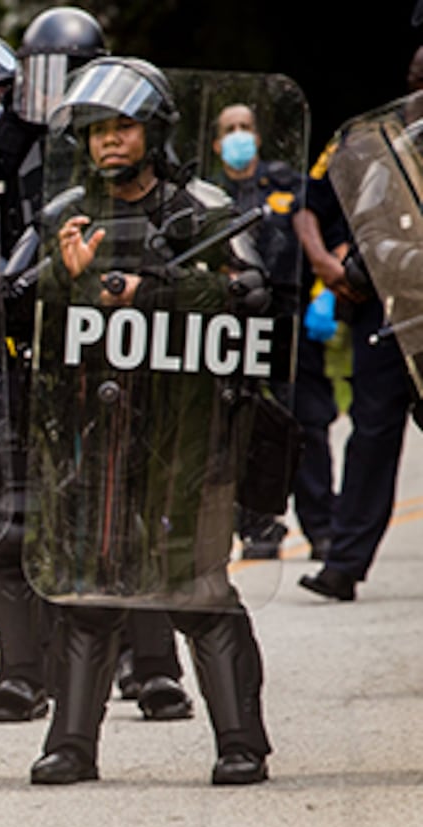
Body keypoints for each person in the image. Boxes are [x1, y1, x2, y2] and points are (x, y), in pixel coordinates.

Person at [26, 56, 276, 786]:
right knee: (89, 585)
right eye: (97, 129)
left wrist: (154, 294)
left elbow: (252, 297)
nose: (108, 141)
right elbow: (20, 312)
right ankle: (71, 744)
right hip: (95, 427)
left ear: (155, 130)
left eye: (123, 126)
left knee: (193, 582)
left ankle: (241, 742)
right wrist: (63, 279)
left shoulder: (201, 208)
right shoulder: (64, 215)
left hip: (186, 426)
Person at [0, 6, 108, 724]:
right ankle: (20, 673)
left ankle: (150, 668)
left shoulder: (119, 146)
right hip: (15, 353)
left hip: (100, 348)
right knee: (14, 524)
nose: (49, 94)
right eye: (38, 75)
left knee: (114, 514)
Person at [295, 48, 421, 602]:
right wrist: (331, 266)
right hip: (385, 308)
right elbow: (311, 201)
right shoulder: (373, 141)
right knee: (371, 432)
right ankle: (343, 564)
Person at [212, 102, 305, 559]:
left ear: (259, 135)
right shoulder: (207, 195)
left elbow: (312, 239)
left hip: (284, 317)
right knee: (239, 423)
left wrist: (323, 294)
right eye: (229, 129)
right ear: (216, 143)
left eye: (245, 127)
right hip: (232, 323)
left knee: (293, 419)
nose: (238, 135)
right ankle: (255, 527)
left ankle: (319, 525)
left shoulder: (286, 184)